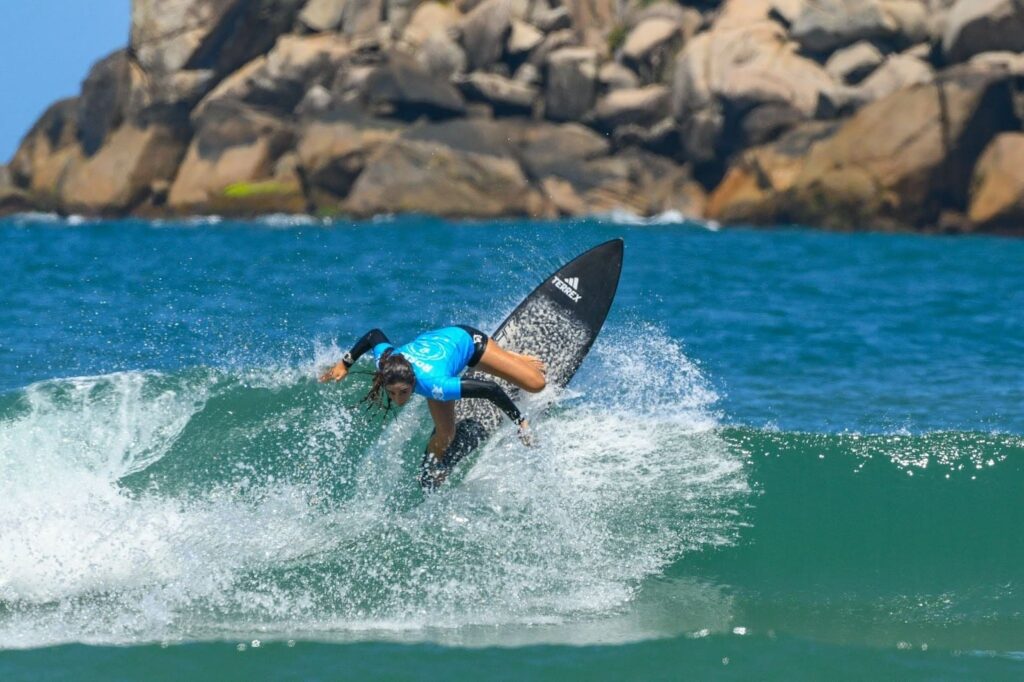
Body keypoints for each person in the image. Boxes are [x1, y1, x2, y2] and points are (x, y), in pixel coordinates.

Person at [320, 325, 546, 484]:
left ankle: (508, 356)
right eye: (392, 393)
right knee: (446, 435)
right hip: (435, 351)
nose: (398, 399)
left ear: (413, 382)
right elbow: (374, 335)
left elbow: (490, 390)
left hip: (465, 340)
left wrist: (521, 423)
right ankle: (428, 473)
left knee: (536, 383)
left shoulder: (435, 385)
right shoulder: (387, 363)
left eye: (404, 393)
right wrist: (345, 363)